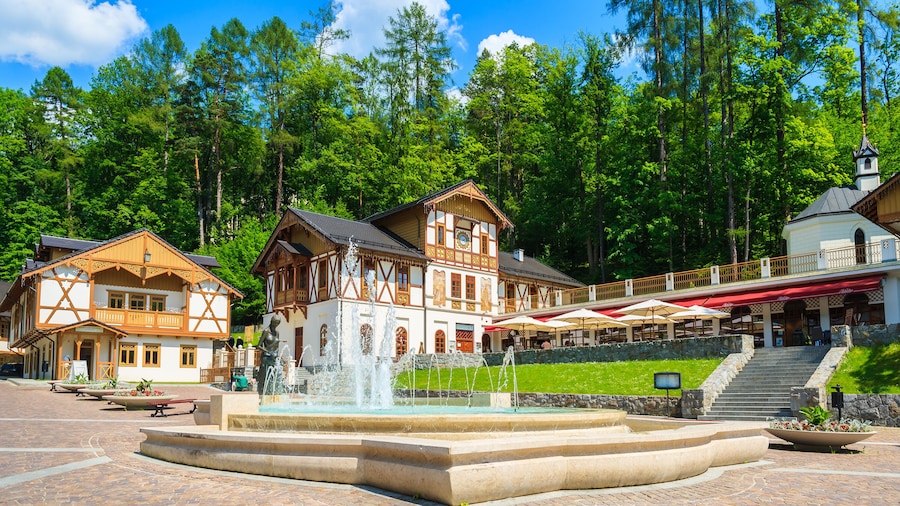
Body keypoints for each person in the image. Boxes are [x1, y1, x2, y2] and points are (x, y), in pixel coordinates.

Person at [256, 316, 281, 394]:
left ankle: (276, 390)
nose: (275, 325)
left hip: (273, 356)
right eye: (274, 323)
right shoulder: (266, 331)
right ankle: (266, 390)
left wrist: (276, 354)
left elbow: (277, 346)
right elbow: (258, 346)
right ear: (271, 321)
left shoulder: (277, 333)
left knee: (280, 366)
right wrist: (269, 353)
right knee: (274, 366)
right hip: (266, 356)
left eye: (277, 323)